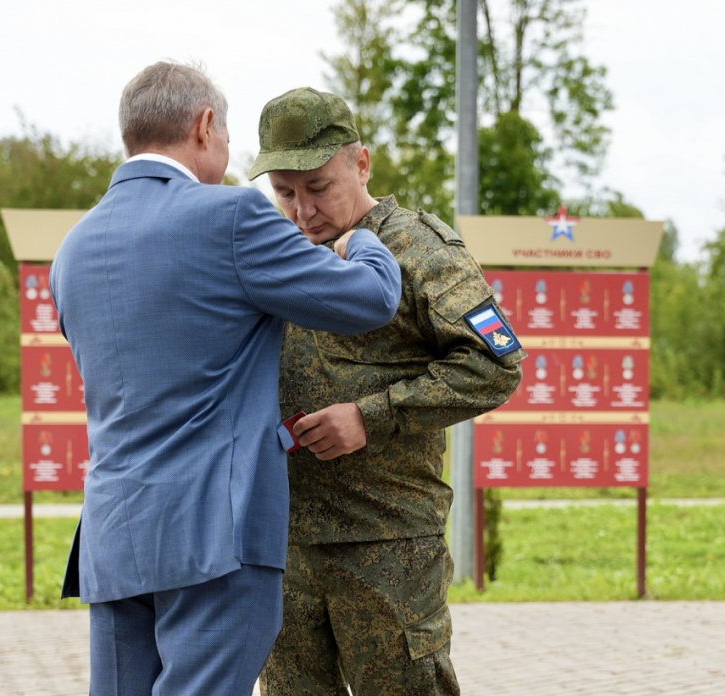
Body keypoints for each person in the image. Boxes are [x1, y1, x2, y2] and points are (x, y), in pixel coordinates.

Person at [49, 64, 402, 696]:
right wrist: (360, 239)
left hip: (114, 534)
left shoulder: (75, 246)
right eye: (231, 137)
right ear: (206, 126)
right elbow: (371, 299)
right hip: (215, 530)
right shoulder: (231, 216)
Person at [249, 87, 527, 696]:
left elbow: (497, 362)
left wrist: (373, 417)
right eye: (285, 192)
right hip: (285, 544)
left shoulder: (419, 249)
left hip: (387, 545)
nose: (303, 211)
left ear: (362, 163)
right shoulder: (274, 254)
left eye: (319, 187)